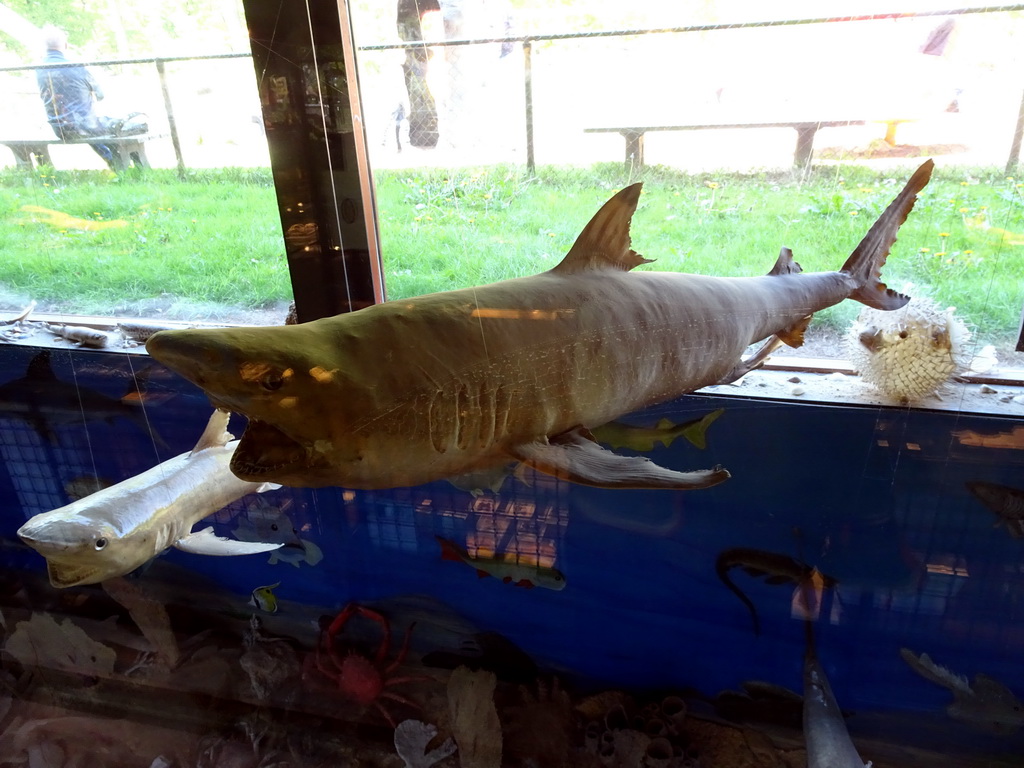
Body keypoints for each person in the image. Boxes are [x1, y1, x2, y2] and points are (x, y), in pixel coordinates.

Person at [36, 26, 117, 167]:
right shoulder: (76, 67)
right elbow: (101, 95)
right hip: (85, 125)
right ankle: (118, 164)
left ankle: (114, 162)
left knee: (87, 125)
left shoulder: (39, 70)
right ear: (65, 45)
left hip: (58, 127)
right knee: (113, 127)